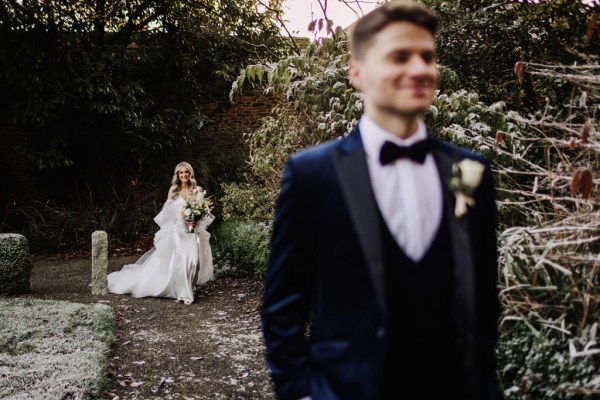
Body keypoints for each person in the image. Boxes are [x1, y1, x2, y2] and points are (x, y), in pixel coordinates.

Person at [260, 2, 502, 399]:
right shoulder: (312, 174)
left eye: (428, 56)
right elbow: (282, 305)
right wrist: (301, 392)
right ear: (357, 72)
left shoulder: (468, 172)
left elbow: (482, 298)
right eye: (400, 56)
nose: (421, 68)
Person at [108, 161, 214, 306]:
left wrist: (194, 221)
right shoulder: (173, 190)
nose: (184, 175)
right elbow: (167, 212)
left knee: (192, 261)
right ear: (177, 174)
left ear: (190, 173)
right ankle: (185, 293)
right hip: (177, 231)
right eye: (181, 172)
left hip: (191, 232)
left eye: (186, 172)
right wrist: (182, 217)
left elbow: (204, 212)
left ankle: (188, 285)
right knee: (181, 261)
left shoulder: (197, 190)